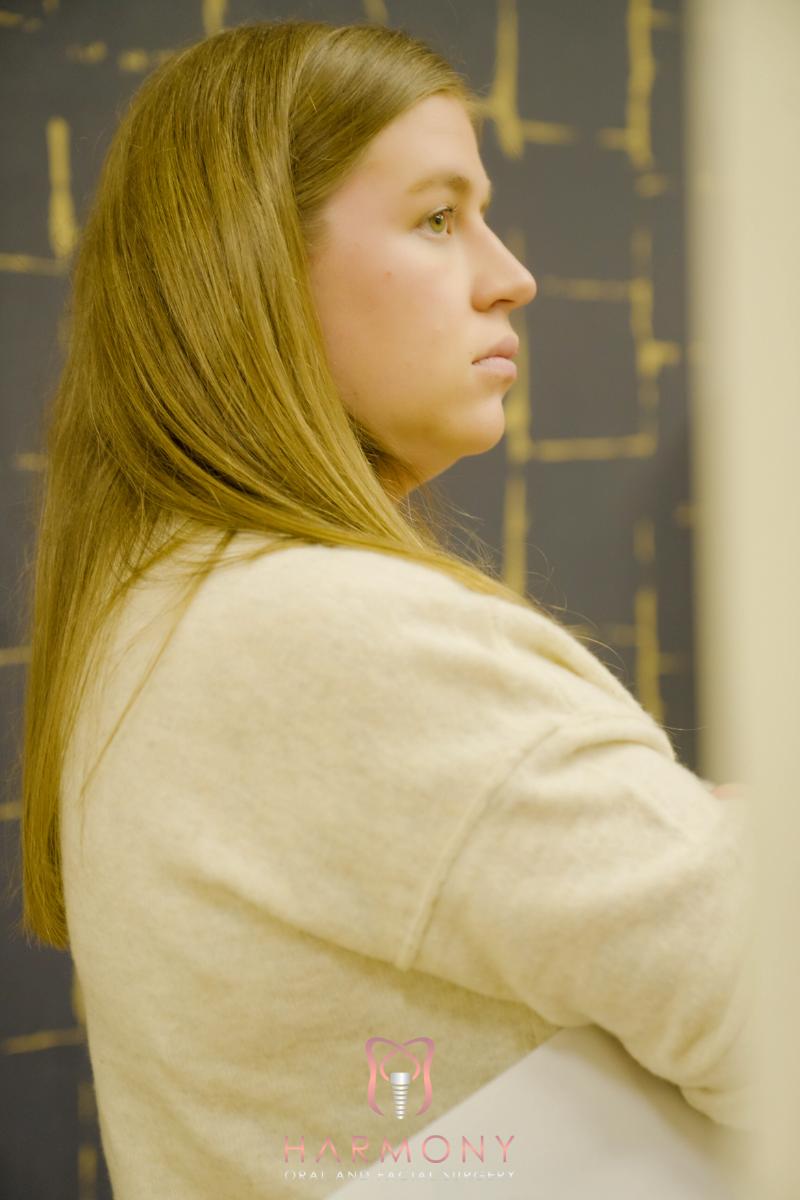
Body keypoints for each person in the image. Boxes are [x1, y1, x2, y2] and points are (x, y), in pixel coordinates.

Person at [14, 18, 755, 1199]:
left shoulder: (165, 610)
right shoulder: (336, 635)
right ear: (255, 271)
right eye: (436, 218)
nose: (510, 275)